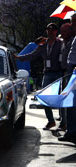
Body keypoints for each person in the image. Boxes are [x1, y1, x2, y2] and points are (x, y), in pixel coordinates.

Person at [15, 23, 63, 130]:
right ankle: (51, 121)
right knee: (43, 96)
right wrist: (19, 57)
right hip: (48, 73)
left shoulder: (60, 43)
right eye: (48, 30)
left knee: (61, 97)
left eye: (52, 30)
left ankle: (63, 122)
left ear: (56, 31)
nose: (50, 32)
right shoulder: (43, 45)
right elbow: (32, 55)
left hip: (59, 72)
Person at [58, 14, 76, 144]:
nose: (72, 25)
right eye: (72, 22)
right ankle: (70, 131)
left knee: (72, 104)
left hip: (74, 70)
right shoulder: (72, 38)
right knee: (69, 103)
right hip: (70, 70)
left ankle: (72, 132)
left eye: (74, 22)